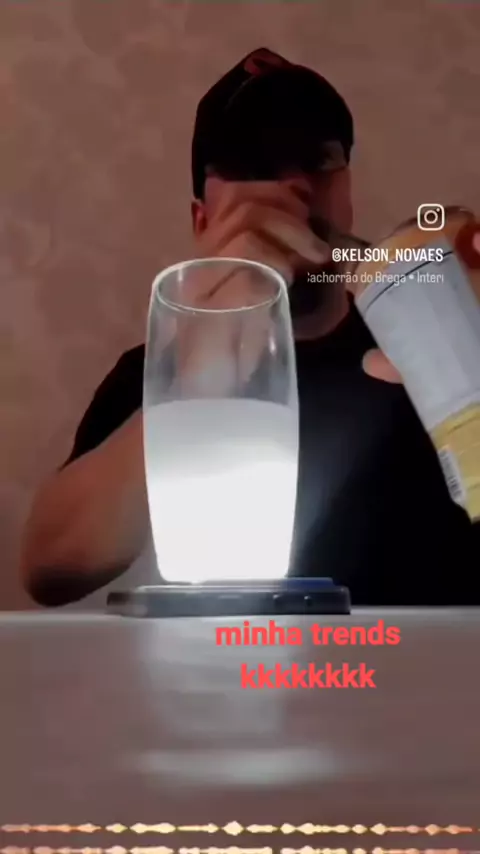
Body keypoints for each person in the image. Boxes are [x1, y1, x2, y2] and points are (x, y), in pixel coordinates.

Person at [21, 47, 480, 607]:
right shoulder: (156, 371)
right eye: (254, 163)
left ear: (348, 199)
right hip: (229, 663)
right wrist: (196, 375)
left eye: (318, 157)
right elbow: (49, 568)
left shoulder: (432, 345)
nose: (293, 184)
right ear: (202, 221)